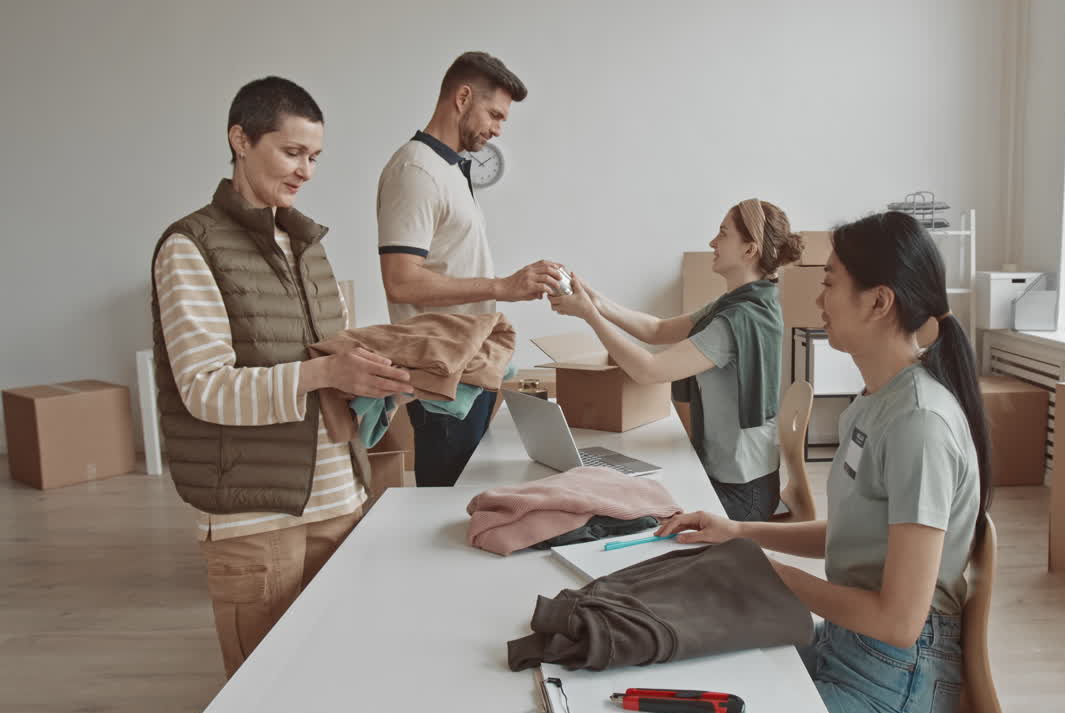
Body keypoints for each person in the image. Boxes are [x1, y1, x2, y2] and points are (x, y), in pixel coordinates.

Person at [656, 211, 992, 713]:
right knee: (702, 677)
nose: (818, 300)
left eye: (830, 283)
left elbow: (900, 621)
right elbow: (858, 532)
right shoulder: (877, 399)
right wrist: (739, 533)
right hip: (848, 641)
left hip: (897, 673)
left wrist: (769, 573)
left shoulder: (920, 424)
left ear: (879, 302)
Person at [150, 77, 415, 677]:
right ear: (240, 140)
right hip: (254, 517)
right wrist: (325, 368)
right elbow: (204, 388)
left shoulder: (308, 245)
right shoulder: (190, 246)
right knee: (265, 691)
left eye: (315, 157)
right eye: (292, 152)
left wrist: (377, 374)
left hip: (339, 499)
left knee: (337, 677)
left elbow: (329, 358)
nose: (306, 171)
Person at [549, 199, 803, 520]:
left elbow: (648, 370)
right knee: (616, 495)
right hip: (738, 481)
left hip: (741, 495)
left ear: (749, 250)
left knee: (620, 510)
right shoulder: (740, 303)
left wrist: (588, 315)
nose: (712, 242)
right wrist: (595, 301)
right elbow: (657, 330)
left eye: (723, 234)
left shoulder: (739, 319)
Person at [377, 51, 561, 487]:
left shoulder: (450, 170)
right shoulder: (415, 170)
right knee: (443, 504)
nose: (498, 128)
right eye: (494, 114)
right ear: (462, 97)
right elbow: (401, 281)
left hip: (470, 367)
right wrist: (504, 286)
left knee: (466, 500)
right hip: (443, 376)